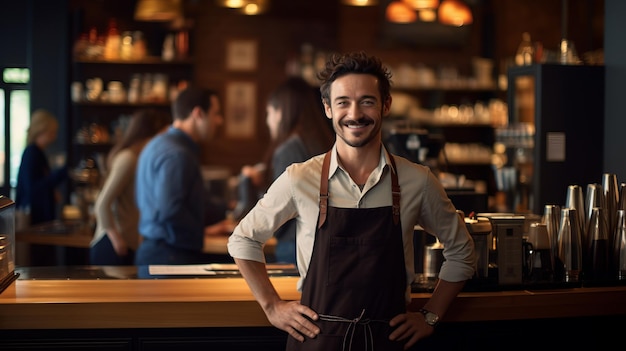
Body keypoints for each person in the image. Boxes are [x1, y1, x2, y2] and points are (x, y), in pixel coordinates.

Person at [228, 52, 476, 350]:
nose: (355, 114)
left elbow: (462, 251)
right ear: (328, 109)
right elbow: (243, 239)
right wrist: (271, 306)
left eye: (367, 101)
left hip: (389, 342)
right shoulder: (299, 178)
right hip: (315, 342)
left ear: (386, 105)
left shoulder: (417, 181)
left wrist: (431, 315)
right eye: (343, 102)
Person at [235, 77, 334, 264]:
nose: (267, 121)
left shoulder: (288, 149)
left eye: (268, 113)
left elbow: (278, 219)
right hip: (324, 247)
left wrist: (250, 186)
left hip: (295, 250)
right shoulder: (325, 144)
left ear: (280, 112)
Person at [134, 86, 235, 268]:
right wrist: (201, 230)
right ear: (198, 114)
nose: (219, 121)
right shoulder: (178, 154)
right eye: (215, 113)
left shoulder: (159, 143)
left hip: (157, 249)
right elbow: (170, 210)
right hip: (169, 254)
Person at [90, 109, 171, 266]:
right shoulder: (128, 159)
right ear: (150, 134)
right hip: (113, 245)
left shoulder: (139, 159)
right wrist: (116, 239)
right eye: (163, 134)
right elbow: (102, 203)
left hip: (126, 243)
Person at [15, 109, 69, 266]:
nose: (54, 137)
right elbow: (33, 188)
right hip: (35, 221)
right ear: (42, 131)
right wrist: (59, 174)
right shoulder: (32, 153)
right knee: (37, 262)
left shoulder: (37, 153)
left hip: (38, 219)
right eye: (52, 132)